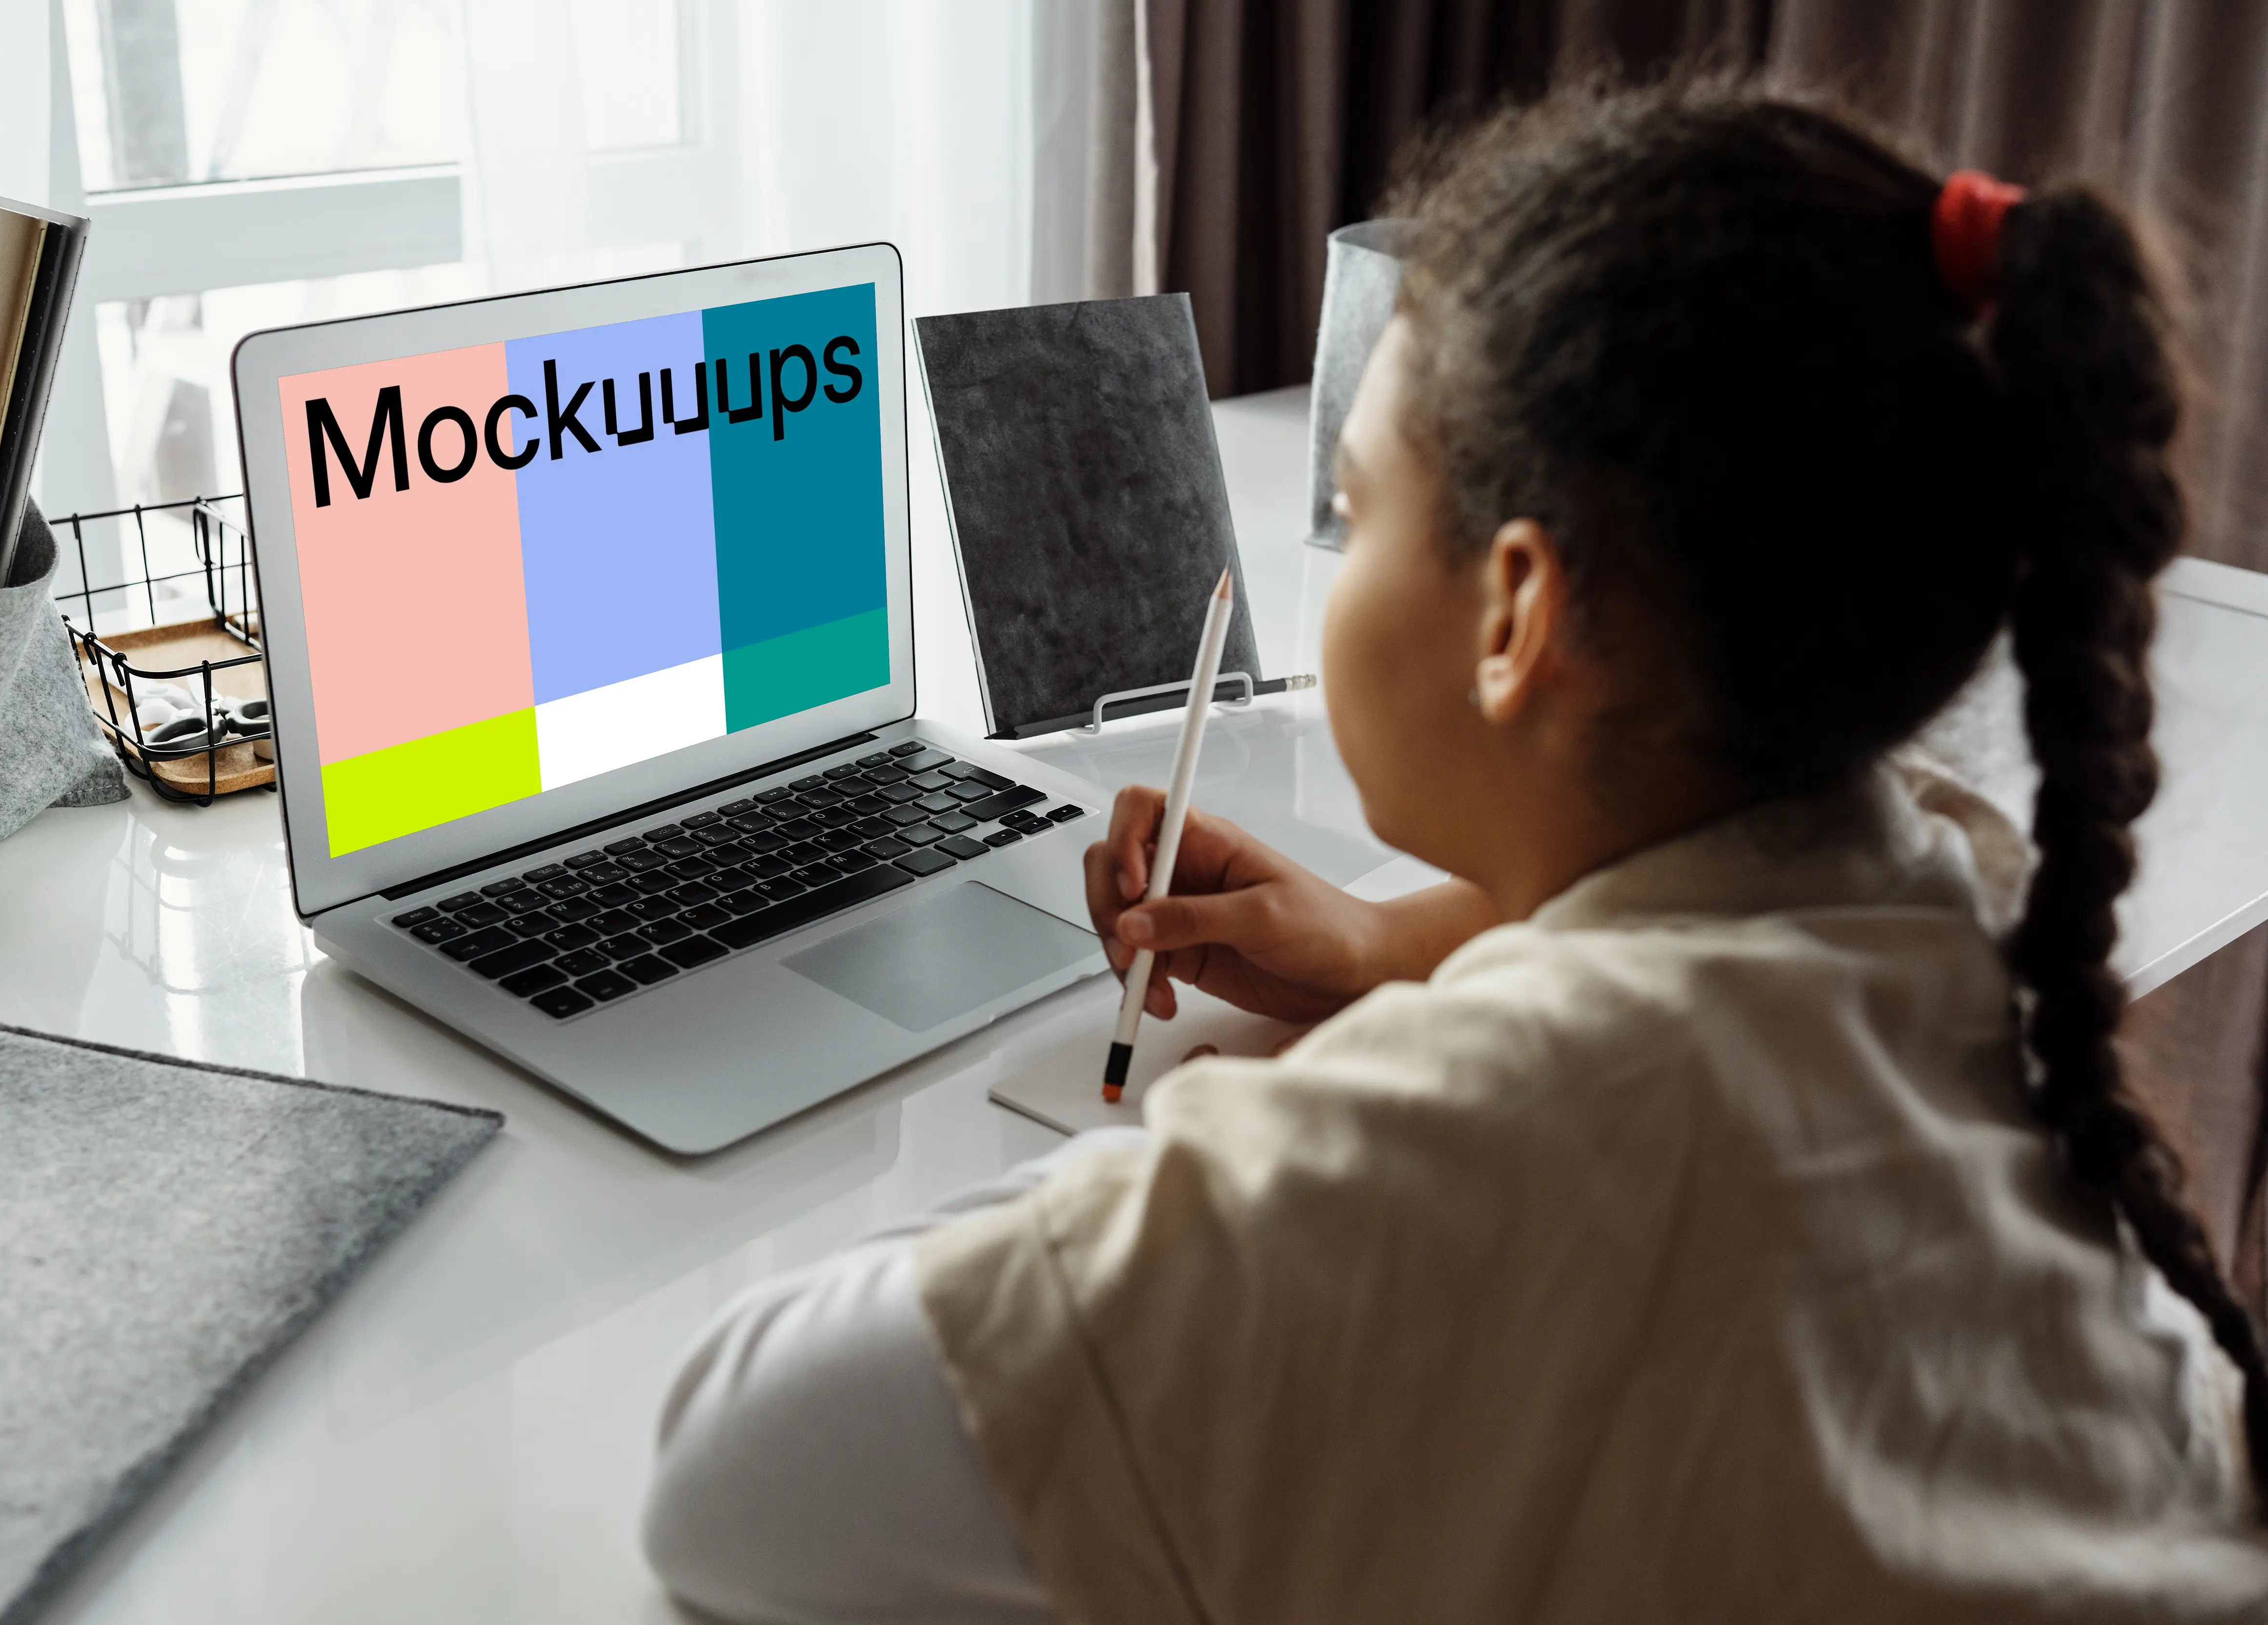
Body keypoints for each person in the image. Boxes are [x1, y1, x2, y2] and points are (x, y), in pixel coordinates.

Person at [642, 79, 2268, 1622]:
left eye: (1354, 505)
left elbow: (733, 1475)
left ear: (1518, 614)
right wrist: (1377, 948)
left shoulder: (1463, 1160)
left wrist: (1235, 1132)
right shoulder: (1955, 909)